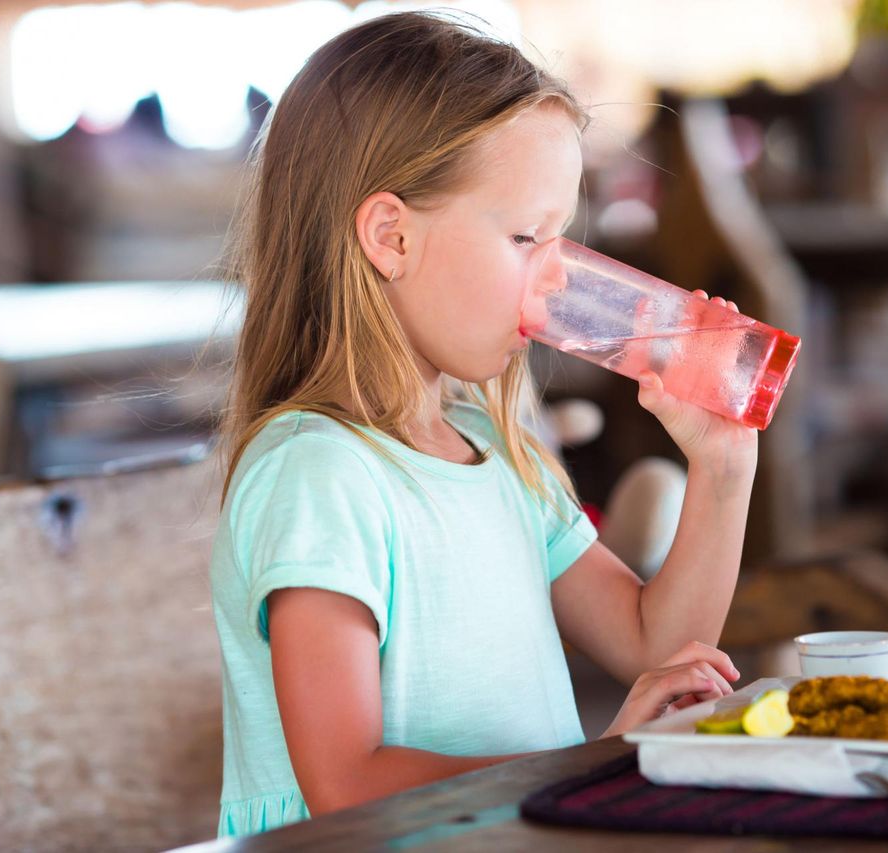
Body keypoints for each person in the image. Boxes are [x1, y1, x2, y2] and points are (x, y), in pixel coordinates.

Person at [208, 11, 756, 837]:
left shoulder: (499, 452)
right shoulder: (318, 475)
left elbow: (658, 648)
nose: (558, 281)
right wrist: (591, 767)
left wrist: (722, 466)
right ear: (391, 237)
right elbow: (347, 784)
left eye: (561, 239)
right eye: (526, 236)